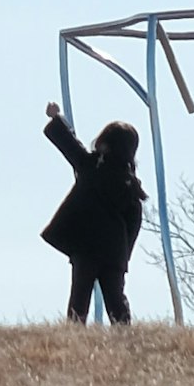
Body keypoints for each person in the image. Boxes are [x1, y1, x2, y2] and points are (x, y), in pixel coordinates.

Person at [40, 91, 143, 323]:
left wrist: (57, 118)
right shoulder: (130, 184)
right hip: (114, 249)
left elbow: (70, 145)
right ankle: (124, 333)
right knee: (116, 299)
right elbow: (134, 222)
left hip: (86, 245)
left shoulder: (92, 168)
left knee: (79, 297)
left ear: (104, 143)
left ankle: (75, 333)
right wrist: (125, 254)